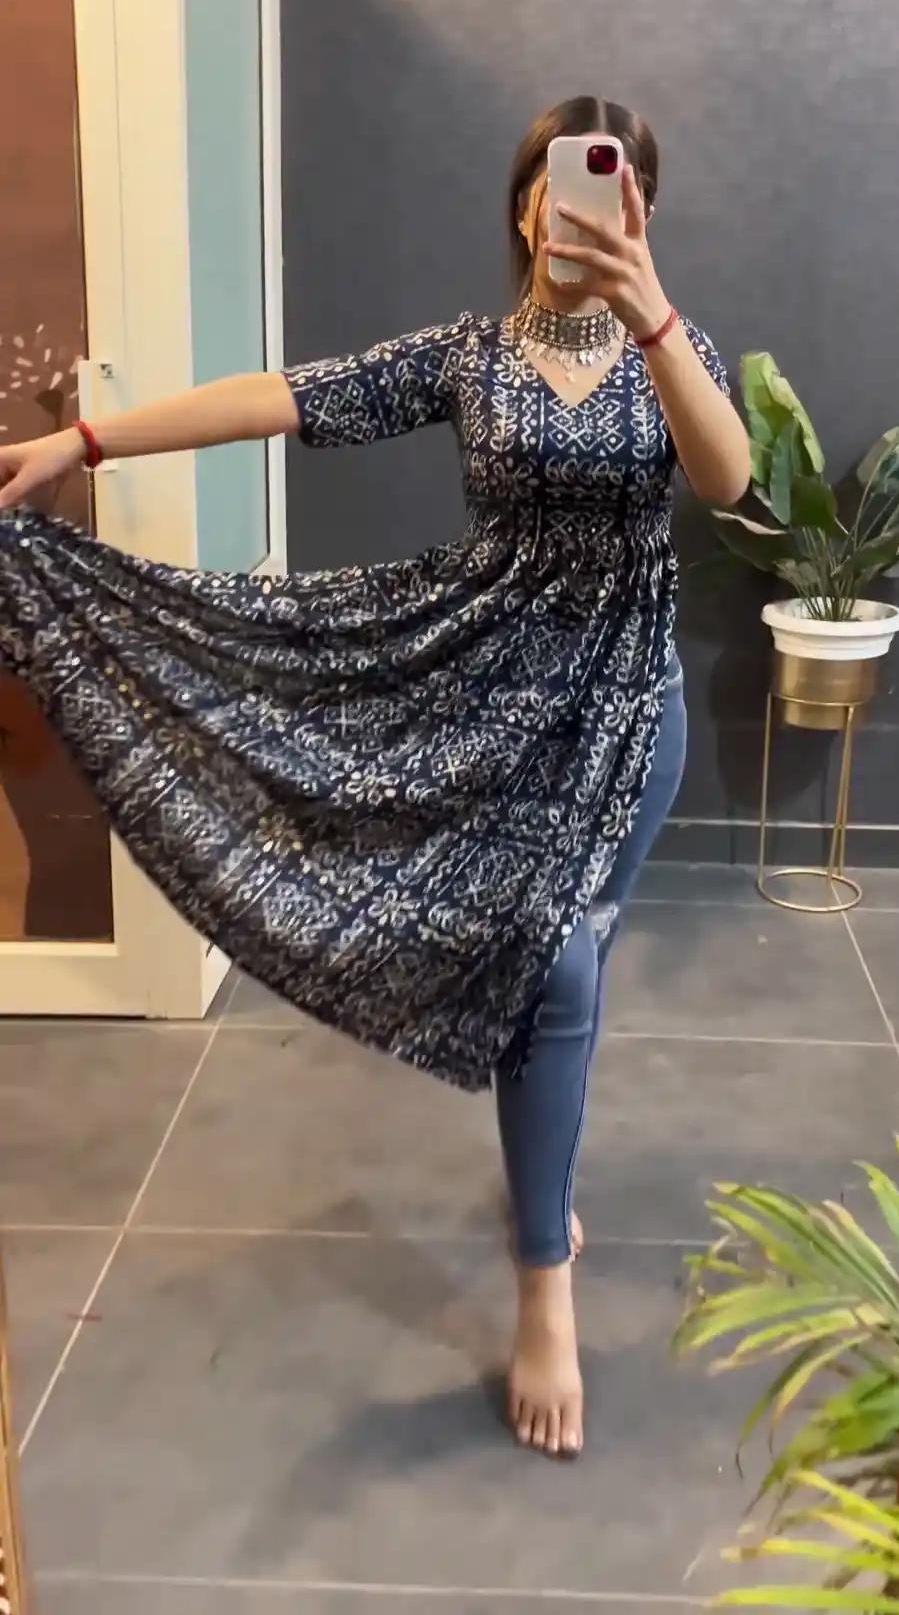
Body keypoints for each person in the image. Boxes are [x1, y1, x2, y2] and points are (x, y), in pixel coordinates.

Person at [0, 95, 750, 1460]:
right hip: (474, 691)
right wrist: (85, 442)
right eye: (566, 184)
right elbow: (283, 399)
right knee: (554, 971)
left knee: (565, 961)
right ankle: (545, 1281)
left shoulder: (671, 350)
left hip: (625, 712)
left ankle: (540, 1178)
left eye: (620, 188)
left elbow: (730, 475)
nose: (589, 209)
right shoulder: (468, 356)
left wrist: (650, 314)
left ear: (642, 211)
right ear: (527, 203)